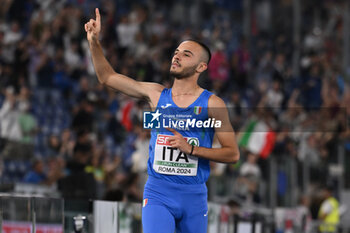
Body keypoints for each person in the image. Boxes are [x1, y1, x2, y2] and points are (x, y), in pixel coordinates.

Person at [84, 8, 240, 233]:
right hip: (158, 192)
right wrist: (94, 42)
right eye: (176, 51)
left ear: (201, 67)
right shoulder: (156, 95)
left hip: (194, 197)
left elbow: (232, 153)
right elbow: (107, 77)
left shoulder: (213, 105)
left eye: (186, 54)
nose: (176, 56)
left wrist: (192, 149)